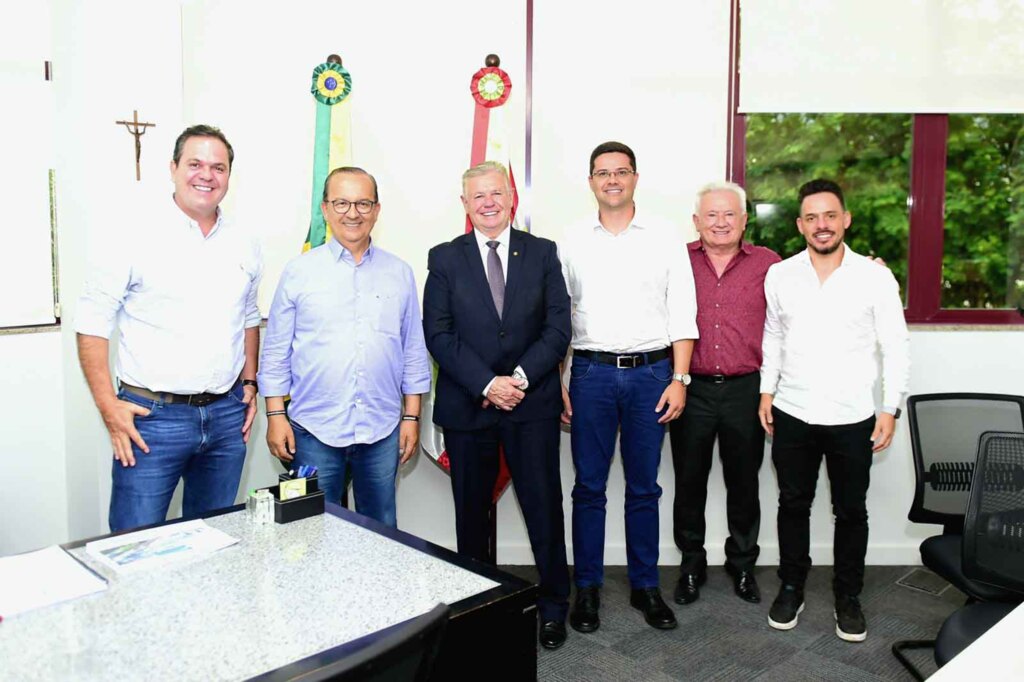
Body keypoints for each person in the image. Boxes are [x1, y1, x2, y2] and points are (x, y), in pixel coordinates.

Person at [76, 124, 262, 532]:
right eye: (195, 164)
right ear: (173, 168)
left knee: (213, 541)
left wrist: (249, 384)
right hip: (151, 420)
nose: (206, 175)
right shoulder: (132, 233)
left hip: (226, 418)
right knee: (134, 545)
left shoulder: (244, 241)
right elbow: (92, 322)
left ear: (229, 175)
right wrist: (109, 405)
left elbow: (249, 317)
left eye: (218, 167)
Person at [422, 161, 572, 650]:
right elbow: (439, 335)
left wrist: (520, 379)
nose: (488, 202)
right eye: (477, 196)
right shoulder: (444, 258)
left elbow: (557, 328)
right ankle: (480, 608)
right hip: (470, 407)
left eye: (496, 193)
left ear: (512, 197)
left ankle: (553, 607)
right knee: (472, 515)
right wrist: (488, 383)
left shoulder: (543, 252)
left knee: (544, 509)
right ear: (464, 204)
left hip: (532, 407)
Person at [759, 178, 909, 643]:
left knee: (851, 511)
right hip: (793, 411)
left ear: (845, 219)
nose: (821, 225)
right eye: (811, 217)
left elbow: (896, 346)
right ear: (801, 224)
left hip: (853, 417)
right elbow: (774, 337)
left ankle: (849, 596)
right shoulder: (780, 274)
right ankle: (791, 586)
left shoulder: (875, 276)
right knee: (792, 505)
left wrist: (890, 408)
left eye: (829, 216)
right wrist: (766, 392)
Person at [559, 142, 698, 632]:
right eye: (603, 173)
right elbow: (561, 318)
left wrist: (680, 379)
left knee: (645, 488)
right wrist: (561, 382)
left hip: (651, 376)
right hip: (591, 374)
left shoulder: (664, 236)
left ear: (636, 178)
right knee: (588, 488)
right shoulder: (571, 240)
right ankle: (589, 590)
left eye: (621, 172)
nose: (612, 180)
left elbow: (683, 311)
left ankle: (645, 587)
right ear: (591, 181)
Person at [258, 167, 431, 528]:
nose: (353, 213)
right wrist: (275, 416)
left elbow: (412, 350)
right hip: (314, 429)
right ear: (324, 209)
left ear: (377, 210)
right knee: (312, 531)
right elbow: (275, 353)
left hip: (382, 429)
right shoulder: (298, 272)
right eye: (341, 203)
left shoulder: (399, 272)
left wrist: (412, 416)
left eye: (363, 203)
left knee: (381, 530)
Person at [669, 182, 780, 606]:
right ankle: (691, 563)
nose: (720, 223)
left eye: (729, 214)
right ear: (696, 221)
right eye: (711, 215)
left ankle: (743, 563)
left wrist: (870, 268)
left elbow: (812, 283)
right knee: (689, 482)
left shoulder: (770, 265)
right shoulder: (676, 261)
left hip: (746, 390)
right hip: (689, 389)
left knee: (744, 482)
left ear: (744, 219)